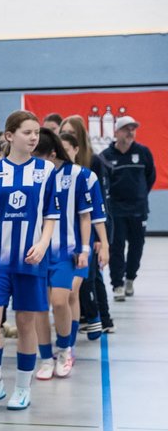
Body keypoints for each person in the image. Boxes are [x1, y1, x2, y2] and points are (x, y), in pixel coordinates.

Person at [0, 110, 58, 410]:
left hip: (31, 259)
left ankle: (23, 388)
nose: (34, 137)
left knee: (26, 324)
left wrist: (42, 244)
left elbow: (51, 215)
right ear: (9, 136)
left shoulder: (46, 170)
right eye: (27, 132)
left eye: (37, 132)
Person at [34, 129, 91, 380]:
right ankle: (45, 358)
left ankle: (65, 350)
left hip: (65, 250)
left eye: (39, 156)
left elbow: (85, 215)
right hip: (35, 251)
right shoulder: (30, 175)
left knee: (60, 300)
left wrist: (85, 248)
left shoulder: (78, 175)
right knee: (38, 308)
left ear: (52, 154)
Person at [59, 119, 114, 337]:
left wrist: (103, 238)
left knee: (92, 276)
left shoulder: (92, 164)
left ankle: (100, 318)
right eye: (63, 132)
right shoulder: (58, 171)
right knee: (78, 281)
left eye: (71, 132)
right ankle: (83, 317)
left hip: (90, 228)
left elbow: (100, 206)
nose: (66, 134)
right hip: (68, 231)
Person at [101, 116, 156, 302]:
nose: (130, 132)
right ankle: (117, 284)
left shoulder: (143, 152)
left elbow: (150, 176)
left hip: (138, 209)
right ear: (116, 132)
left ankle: (130, 278)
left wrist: (139, 194)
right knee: (116, 247)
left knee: (137, 247)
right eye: (126, 129)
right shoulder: (105, 156)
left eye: (133, 128)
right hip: (116, 210)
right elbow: (103, 183)